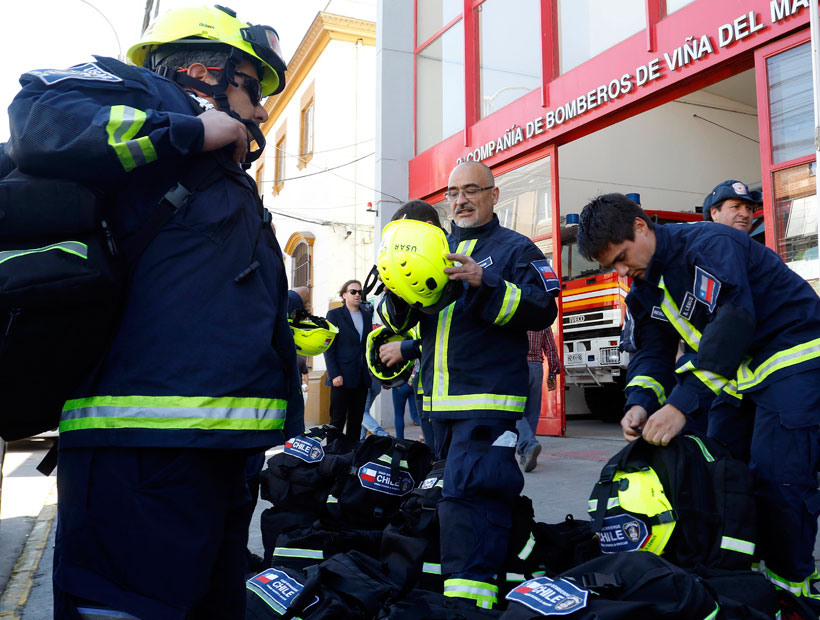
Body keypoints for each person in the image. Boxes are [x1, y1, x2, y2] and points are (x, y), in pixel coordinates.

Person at [6, 5, 297, 618]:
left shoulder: (224, 178)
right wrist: (187, 131)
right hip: (137, 454)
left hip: (214, 454)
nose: (265, 109)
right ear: (202, 71)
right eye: (253, 86)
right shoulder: (148, 97)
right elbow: (40, 116)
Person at [577, 193, 820, 599]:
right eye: (611, 265)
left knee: (780, 480)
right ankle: (744, 575)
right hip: (737, 376)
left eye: (621, 257)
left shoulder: (708, 245)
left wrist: (681, 405)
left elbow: (733, 319)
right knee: (720, 473)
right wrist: (640, 401)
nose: (621, 270)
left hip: (792, 359)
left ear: (640, 227)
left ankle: (791, 592)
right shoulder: (644, 287)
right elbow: (651, 350)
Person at [378, 162, 559, 609]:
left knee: (470, 497)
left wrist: (485, 280)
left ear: (493, 195)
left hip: (487, 402)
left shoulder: (518, 249)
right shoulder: (434, 246)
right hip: (436, 407)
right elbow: (417, 323)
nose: (459, 200)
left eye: (471, 190)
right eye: (453, 192)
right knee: (457, 501)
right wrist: (398, 291)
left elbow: (543, 309)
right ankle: (511, 577)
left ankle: (469, 604)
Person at [324, 279, 373, 441]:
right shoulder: (334, 315)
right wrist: (334, 374)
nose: (358, 294)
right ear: (344, 295)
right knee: (337, 421)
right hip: (341, 377)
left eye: (360, 292)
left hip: (361, 378)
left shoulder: (367, 316)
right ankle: (331, 456)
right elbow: (329, 347)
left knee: (356, 422)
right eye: (353, 291)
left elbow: (367, 346)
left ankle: (351, 456)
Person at [516, 327, 562, 472]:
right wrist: (553, 373)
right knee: (532, 412)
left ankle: (529, 445)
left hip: (517, 365)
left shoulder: (517, 316)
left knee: (516, 411)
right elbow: (551, 347)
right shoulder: (541, 319)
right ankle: (526, 454)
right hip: (536, 367)